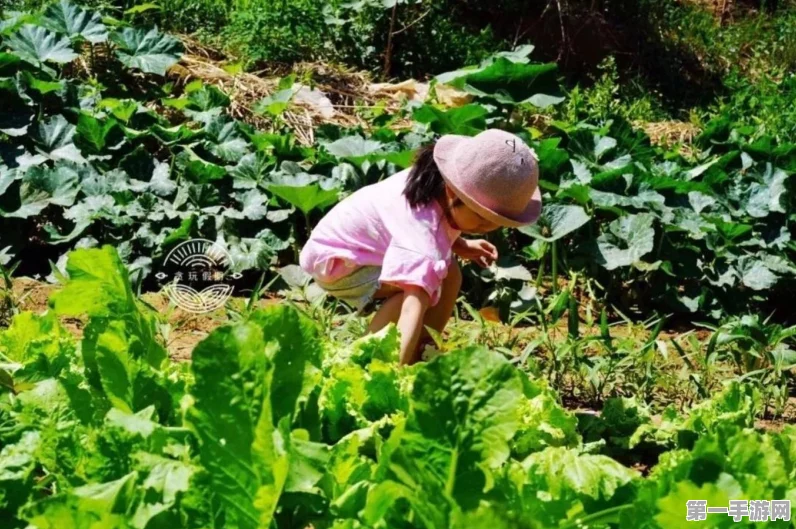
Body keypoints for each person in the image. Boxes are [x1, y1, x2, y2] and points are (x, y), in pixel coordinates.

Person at [300, 129, 542, 364]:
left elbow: (439, 225)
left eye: (497, 222)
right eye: (481, 218)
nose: (488, 228)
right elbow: (412, 305)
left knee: (451, 274)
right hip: (341, 264)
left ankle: (424, 347)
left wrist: (460, 244)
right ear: (452, 191)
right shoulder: (420, 233)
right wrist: (396, 371)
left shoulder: (434, 185)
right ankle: (373, 358)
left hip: (356, 248)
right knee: (420, 292)